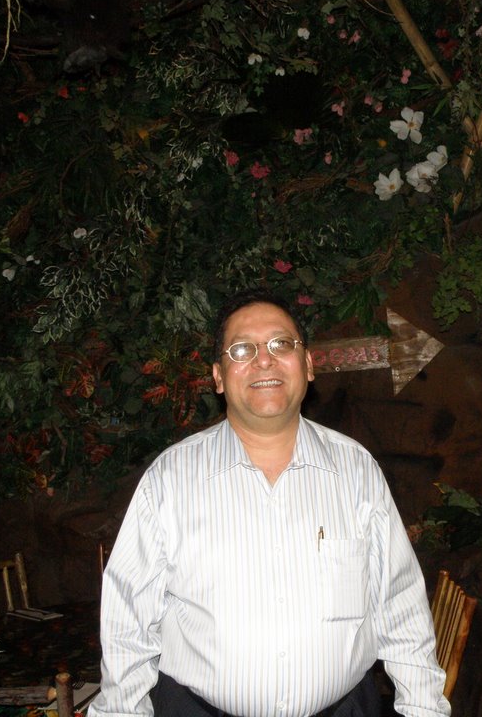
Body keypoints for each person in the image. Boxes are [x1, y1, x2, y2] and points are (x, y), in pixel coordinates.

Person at [88, 288, 450, 717]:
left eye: (282, 344)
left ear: (309, 365)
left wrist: (423, 709)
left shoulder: (356, 472)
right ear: (219, 377)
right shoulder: (170, 479)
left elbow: (400, 605)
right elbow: (128, 621)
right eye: (242, 349)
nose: (264, 360)